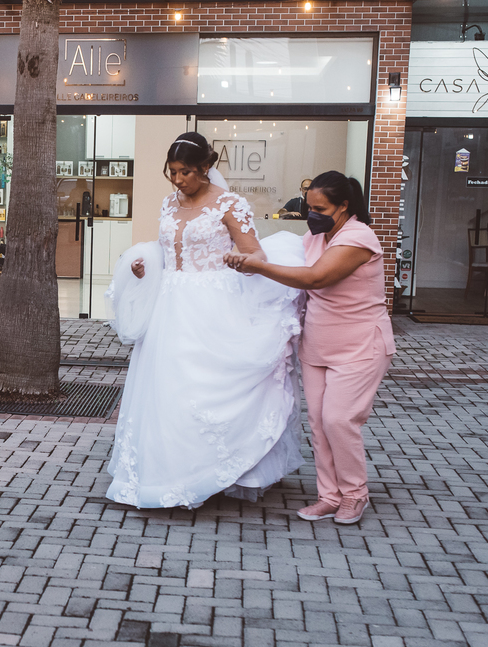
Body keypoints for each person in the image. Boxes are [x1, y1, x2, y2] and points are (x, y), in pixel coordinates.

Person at [104, 132, 305, 508]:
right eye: (173, 172)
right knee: (168, 388)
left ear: (206, 168)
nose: (178, 180)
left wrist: (240, 261)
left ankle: (218, 469)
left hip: (215, 304)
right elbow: (167, 250)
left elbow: (256, 255)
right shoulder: (169, 203)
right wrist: (144, 266)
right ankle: (169, 472)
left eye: (185, 172)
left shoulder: (230, 204)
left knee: (204, 385)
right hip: (170, 305)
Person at [226, 171, 395, 525]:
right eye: (309, 208)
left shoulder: (358, 237)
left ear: (344, 206)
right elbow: (287, 268)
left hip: (361, 345)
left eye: (320, 209)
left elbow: (316, 278)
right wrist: (249, 265)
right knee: (319, 424)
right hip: (318, 345)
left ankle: (354, 494)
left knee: (339, 420)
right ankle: (329, 496)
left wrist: (261, 267)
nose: (312, 215)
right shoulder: (315, 236)